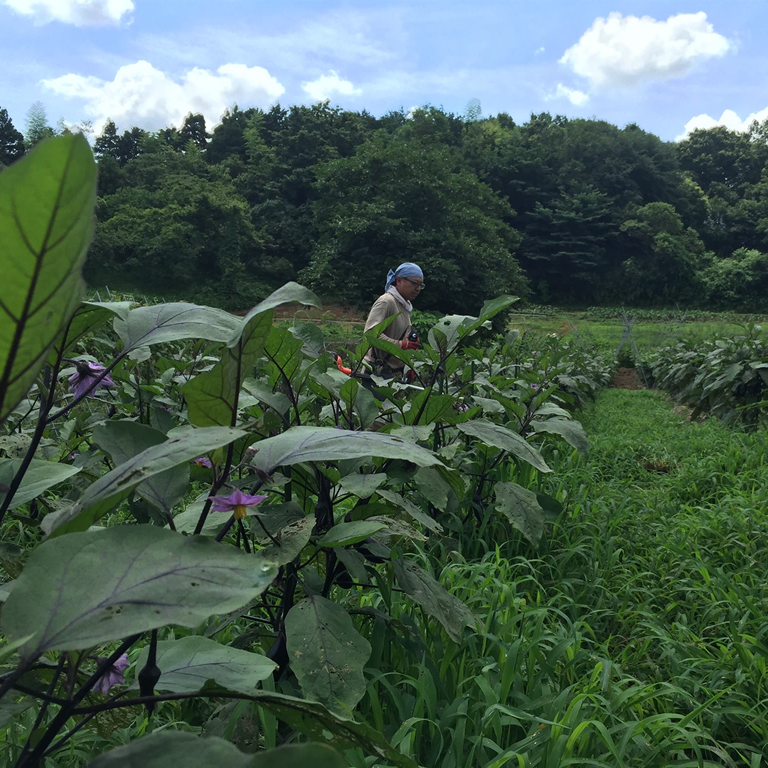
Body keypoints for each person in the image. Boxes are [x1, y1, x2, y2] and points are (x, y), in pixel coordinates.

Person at [362, 262, 424, 380]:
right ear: (399, 281)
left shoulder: (405, 306)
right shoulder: (387, 302)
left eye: (421, 285)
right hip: (376, 373)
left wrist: (409, 365)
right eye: (415, 283)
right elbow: (370, 335)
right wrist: (401, 345)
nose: (418, 289)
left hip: (395, 374)